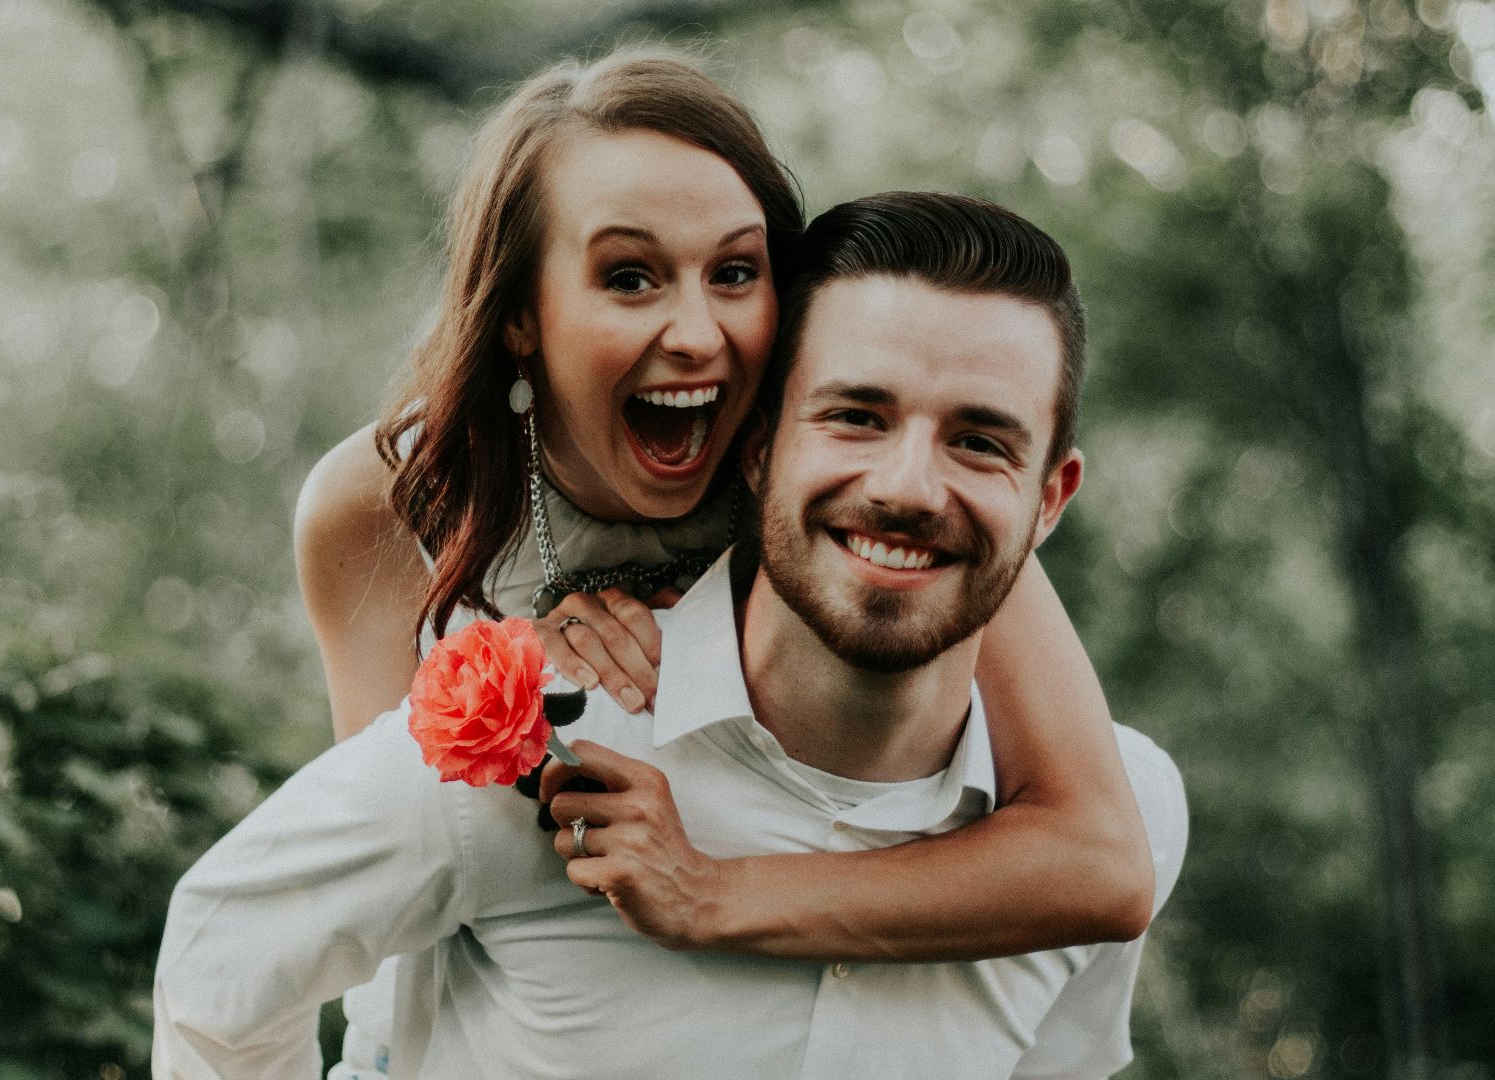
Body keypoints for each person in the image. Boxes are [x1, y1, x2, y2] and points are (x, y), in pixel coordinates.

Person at [157, 191, 1189, 1079]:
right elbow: (222, 964)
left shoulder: (1125, 811)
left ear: (1051, 499)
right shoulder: (537, 749)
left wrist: (716, 893)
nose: (909, 487)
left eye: (979, 440)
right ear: (756, 447)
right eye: (855, 417)